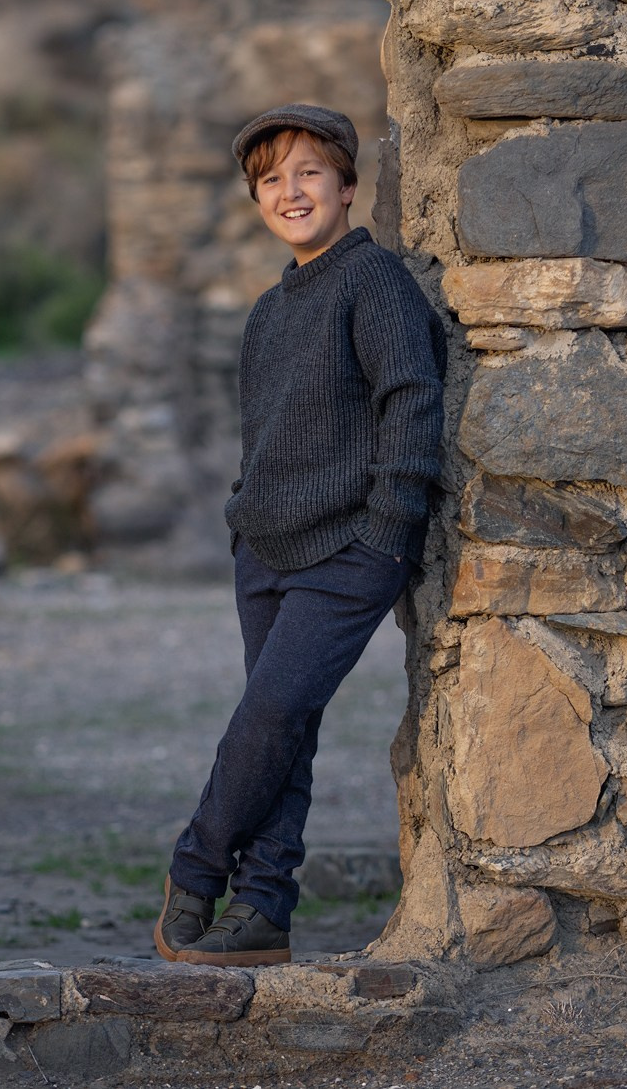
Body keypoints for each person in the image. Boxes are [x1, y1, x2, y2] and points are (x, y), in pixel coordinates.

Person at [153, 103, 446, 968]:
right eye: (271, 180)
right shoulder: (268, 312)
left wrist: (392, 528)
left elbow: (412, 396)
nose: (291, 191)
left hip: (352, 548)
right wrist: (244, 514)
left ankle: (196, 868)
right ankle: (265, 910)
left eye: (310, 172)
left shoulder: (375, 282)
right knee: (286, 730)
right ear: (256, 201)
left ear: (349, 187)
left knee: (270, 713)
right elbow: (264, 435)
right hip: (266, 549)